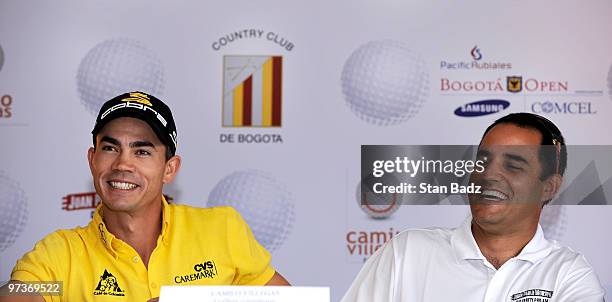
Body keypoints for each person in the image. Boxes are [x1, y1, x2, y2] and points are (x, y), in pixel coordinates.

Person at [1, 91, 289, 302]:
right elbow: (19, 294)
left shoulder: (221, 229)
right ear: (93, 160)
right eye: (110, 148)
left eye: (142, 151)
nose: (123, 164)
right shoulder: (59, 255)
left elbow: (284, 298)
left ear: (169, 168)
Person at [342, 113, 605, 302]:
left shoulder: (568, 274)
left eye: (513, 165)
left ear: (549, 187)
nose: (488, 174)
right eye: (483, 160)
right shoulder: (406, 252)